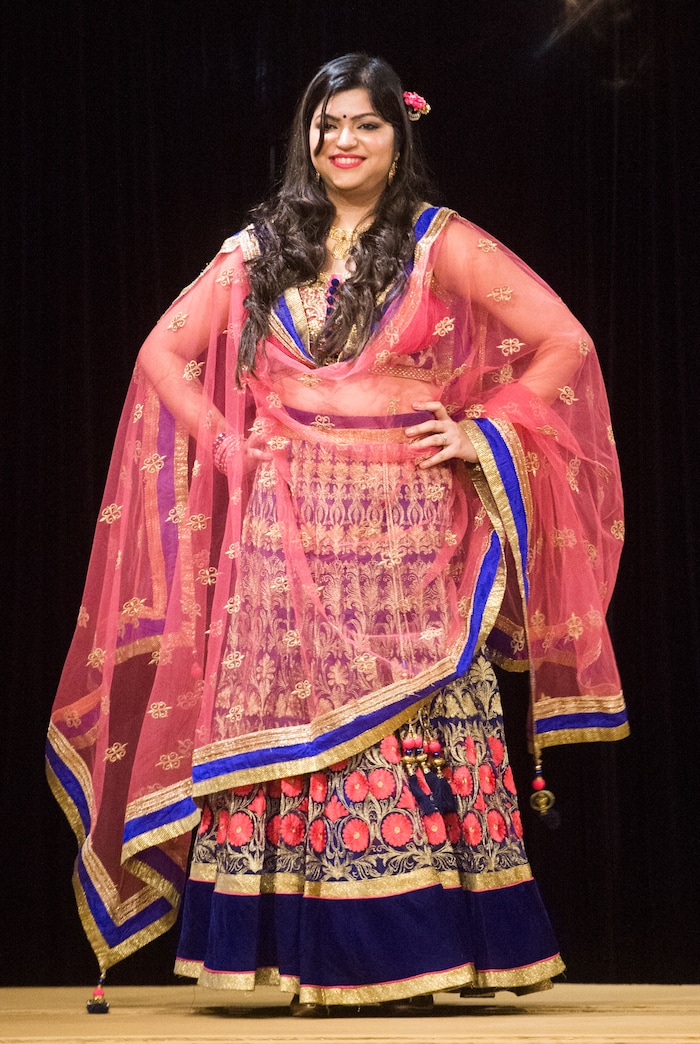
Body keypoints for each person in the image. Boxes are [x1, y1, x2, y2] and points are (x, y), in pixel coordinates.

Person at [47, 53, 627, 1016]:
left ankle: (435, 948)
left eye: (364, 124)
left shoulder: (441, 244)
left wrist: (486, 428)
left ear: (400, 138)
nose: (343, 141)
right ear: (306, 140)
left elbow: (567, 339)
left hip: (411, 536)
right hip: (285, 539)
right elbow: (163, 350)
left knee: (420, 722)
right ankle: (307, 951)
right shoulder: (261, 247)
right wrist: (223, 444)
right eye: (328, 125)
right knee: (300, 727)